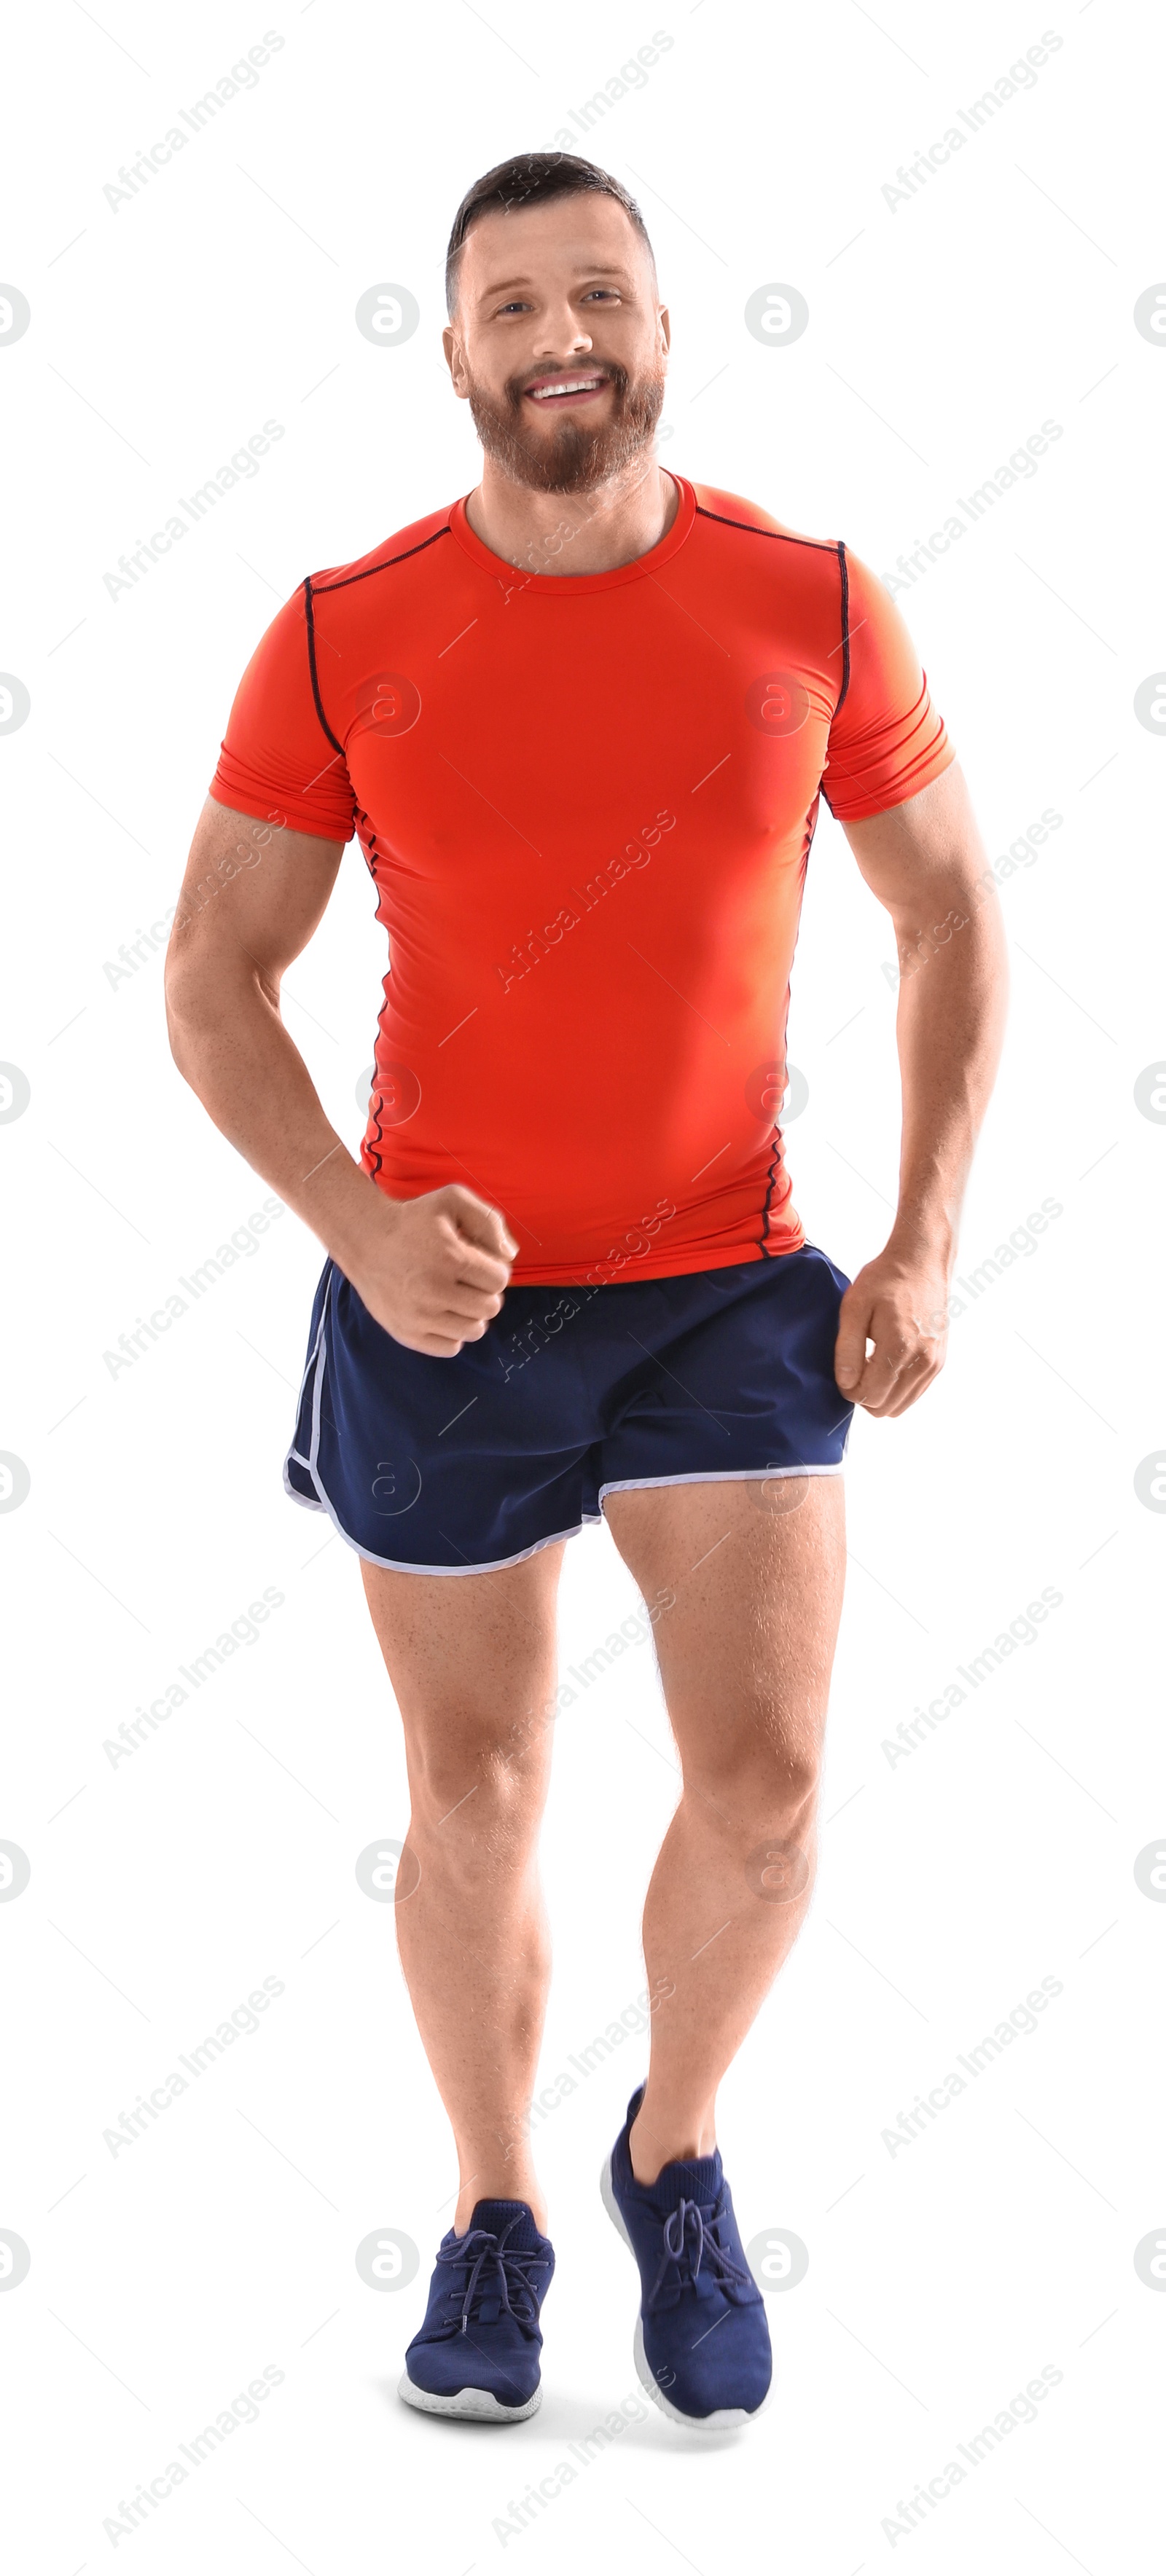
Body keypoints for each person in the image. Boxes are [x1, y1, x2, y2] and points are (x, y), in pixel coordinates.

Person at [165, 151, 1006, 2431]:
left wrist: (925, 1232)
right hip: (446, 1305)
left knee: (769, 1787)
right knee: (483, 1787)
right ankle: (493, 2207)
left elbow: (946, 913)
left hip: (732, 1279)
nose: (562, 334)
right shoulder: (345, 631)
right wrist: (357, 1223)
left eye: (601, 294)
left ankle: (677, 2150)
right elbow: (214, 981)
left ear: (664, 324)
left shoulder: (813, 602)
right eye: (513, 302)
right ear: (450, 352)